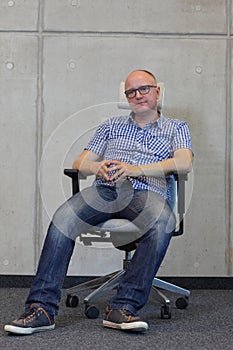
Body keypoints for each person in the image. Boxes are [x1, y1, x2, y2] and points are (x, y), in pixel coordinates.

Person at [4, 69, 193, 335]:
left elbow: (184, 162)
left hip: (146, 192)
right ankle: (41, 310)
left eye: (144, 89)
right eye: (131, 92)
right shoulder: (110, 126)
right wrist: (98, 167)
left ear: (157, 91)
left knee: (162, 221)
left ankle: (123, 307)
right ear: (126, 96)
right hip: (106, 191)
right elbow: (80, 163)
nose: (137, 95)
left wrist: (135, 169)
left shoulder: (176, 127)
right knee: (62, 220)